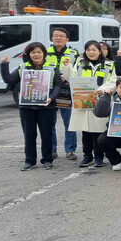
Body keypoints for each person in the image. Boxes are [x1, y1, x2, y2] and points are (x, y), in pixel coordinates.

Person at [0, 42, 62, 170]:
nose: (36, 55)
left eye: (39, 52)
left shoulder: (52, 67)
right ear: (29, 54)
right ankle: (29, 160)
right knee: (29, 135)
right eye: (33, 52)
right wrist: (4, 65)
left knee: (47, 134)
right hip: (27, 107)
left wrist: (51, 98)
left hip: (46, 106)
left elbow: (57, 85)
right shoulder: (23, 67)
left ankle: (47, 160)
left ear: (44, 53)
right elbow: (9, 80)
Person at [61, 40, 117, 168]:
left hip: (100, 101)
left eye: (94, 50)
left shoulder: (109, 65)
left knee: (98, 130)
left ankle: (98, 156)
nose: (91, 52)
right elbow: (71, 78)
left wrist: (102, 90)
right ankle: (87, 156)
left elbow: (114, 81)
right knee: (85, 131)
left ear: (99, 51)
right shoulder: (80, 63)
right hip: (83, 101)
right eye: (88, 50)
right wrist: (67, 66)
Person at [46, 27, 79, 160]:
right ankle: (52, 150)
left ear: (67, 39)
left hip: (66, 90)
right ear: (52, 38)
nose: (58, 38)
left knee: (69, 122)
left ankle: (70, 150)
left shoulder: (74, 53)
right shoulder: (45, 52)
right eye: (56, 36)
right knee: (49, 122)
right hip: (50, 90)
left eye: (61, 36)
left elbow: (77, 70)